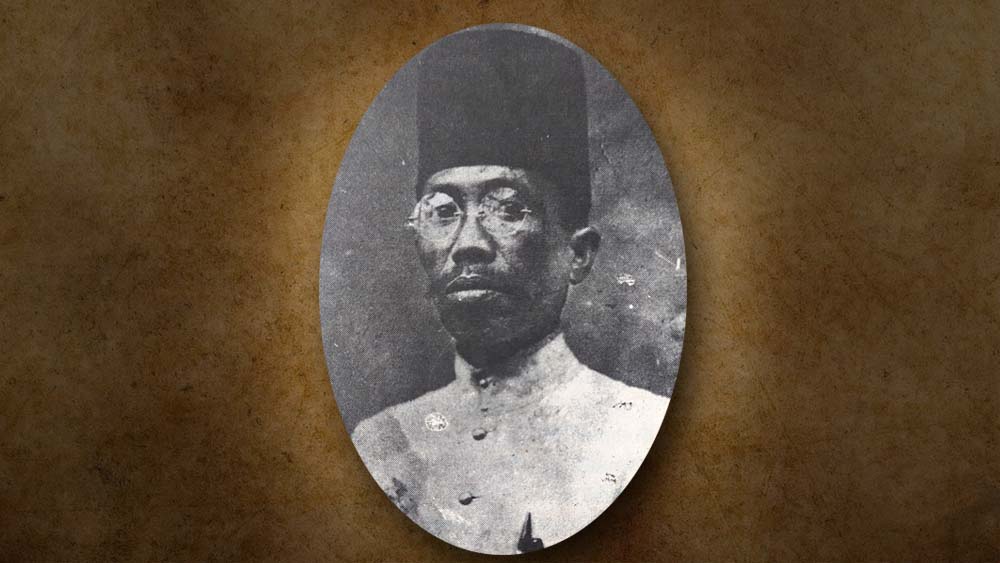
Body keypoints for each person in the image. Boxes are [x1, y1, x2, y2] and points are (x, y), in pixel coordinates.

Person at [351, 26, 670, 555]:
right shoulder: (380, 444)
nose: (468, 245)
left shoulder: (642, 431)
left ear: (578, 253)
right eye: (442, 211)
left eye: (507, 207)